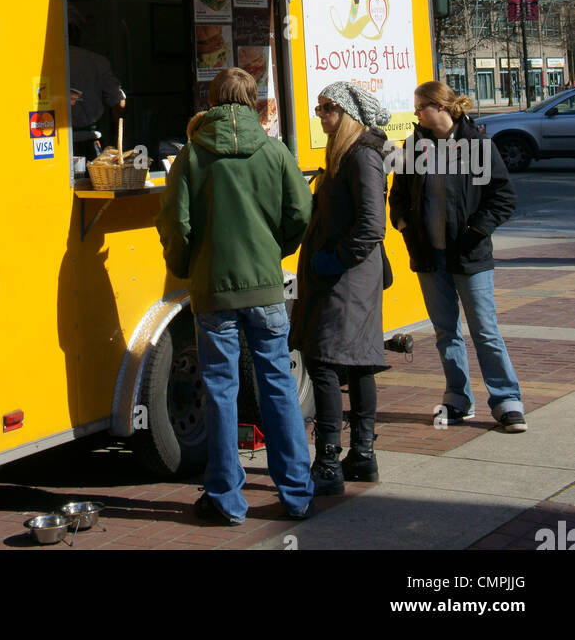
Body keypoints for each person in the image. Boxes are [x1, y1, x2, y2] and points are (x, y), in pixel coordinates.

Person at [156, 67, 313, 526]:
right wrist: (275, 250)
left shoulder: (191, 154)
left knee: (221, 391)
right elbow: (300, 210)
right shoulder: (275, 150)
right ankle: (297, 494)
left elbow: (175, 222)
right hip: (265, 286)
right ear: (252, 100)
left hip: (213, 292)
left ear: (211, 99)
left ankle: (226, 499)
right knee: (278, 384)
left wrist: (186, 267)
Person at [389, 80, 526, 431]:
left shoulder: (476, 144)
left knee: (484, 330)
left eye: (421, 107)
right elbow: (398, 195)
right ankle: (457, 398)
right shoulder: (413, 147)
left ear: (442, 108)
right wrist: (405, 225)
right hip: (429, 257)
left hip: (470, 256)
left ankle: (507, 400)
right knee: (445, 331)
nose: (416, 113)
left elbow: (502, 197)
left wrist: (475, 231)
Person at [289, 82, 391, 496]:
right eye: (318, 107)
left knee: (326, 361)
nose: (320, 114)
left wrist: (333, 259)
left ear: (346, 113)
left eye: (327, 107)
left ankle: (330, 461)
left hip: (349, 277)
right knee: (357, 361)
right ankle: (361, 456)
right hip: (346, 275)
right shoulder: (344, 154)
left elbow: (372, 225)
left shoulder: (362, 156)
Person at [67, 4, 125, 159]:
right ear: (74, 31)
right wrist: (115, 135)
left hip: (53, 143)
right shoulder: (97, 62)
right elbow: (119, 103)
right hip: (89, 144)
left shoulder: (44, 63)